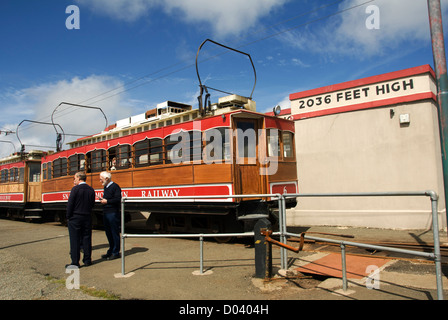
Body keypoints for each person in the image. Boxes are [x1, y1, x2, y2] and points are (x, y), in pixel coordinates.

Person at [66, 172, 96, 268]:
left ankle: (75, 262)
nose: (74, 180)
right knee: (87, 238)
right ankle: (87, 260)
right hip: (87, 216)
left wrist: (68, 216)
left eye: (74, 178)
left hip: (75, 217)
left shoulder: (75, 189)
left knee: (75, 239)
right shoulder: (91, 190)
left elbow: (70, 204)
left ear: (79, 178)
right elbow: (92, 204)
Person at [99, 171, 122, 260]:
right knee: (108, 233)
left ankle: (116, 252)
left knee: (114, 232)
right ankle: (111, 250)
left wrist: (107, 201)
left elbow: (117, 199)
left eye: (101, 179)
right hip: (106, 212)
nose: (100, 181)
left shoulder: (115, 187)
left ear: (107, 179)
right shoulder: (106, 187)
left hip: (113, 213)